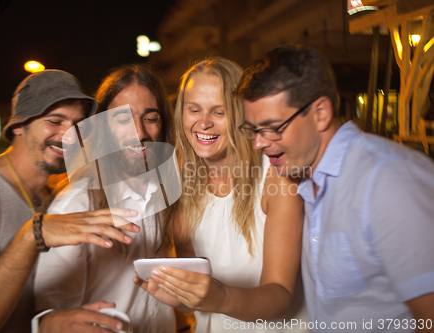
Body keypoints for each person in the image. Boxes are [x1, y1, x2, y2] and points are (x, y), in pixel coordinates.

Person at [235, 45, 434, 332]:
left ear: (320, 113)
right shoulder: (305, 180)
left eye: (273, 127)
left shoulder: (387, 179)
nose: (258, 143)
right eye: (253, 130)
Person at [0, 70, 138, 333]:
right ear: (18, 125)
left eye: (78, 125)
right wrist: (33, 235)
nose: (69, 135)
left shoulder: (56, 197)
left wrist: (47, 323)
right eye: (55, 120)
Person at [135, 58, 309, 332]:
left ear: (242, 115)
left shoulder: (278, 176)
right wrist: (180, 296)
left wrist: (221, 297)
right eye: (194, 110)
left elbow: (281, 295)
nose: (203, 123)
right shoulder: (180, 187)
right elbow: (199, 294)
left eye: (219, 112)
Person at [33, 65, 182, 333]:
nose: (139, 133)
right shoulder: (76, 206)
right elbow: (55, 315)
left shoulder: (166, 193)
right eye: (122, 119)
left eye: (150, 118)